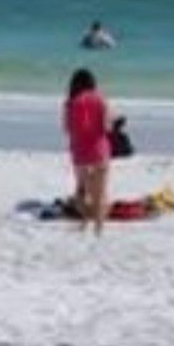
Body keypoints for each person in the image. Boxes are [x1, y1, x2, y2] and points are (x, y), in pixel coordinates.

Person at [63, 69, 112, 235]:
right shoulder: (101, 101)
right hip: (99, 150)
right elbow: (107, 127)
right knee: (100, 192)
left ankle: (84, 221)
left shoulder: (71, 102)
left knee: (81, 189)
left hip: (80, 151)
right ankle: (99, 227)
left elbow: (67, 128)